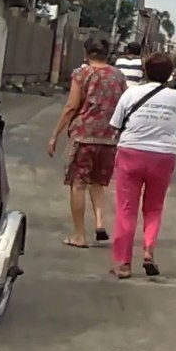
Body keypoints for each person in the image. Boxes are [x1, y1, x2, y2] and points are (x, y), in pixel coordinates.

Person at [107, 52, 176, 279]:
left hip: (130, 153)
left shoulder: (131, 93)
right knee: (154, 207)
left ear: (145, 71)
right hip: (163, 156)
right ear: (170, 74)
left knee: (126, 209)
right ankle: (149, 250)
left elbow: (116, 123)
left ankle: (123, 264)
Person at [48, 37, 127, 248]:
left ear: (86, 53)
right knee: (98, 182)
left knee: (79, 184)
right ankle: (100, 223)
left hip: (84, 137)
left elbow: (71, 106)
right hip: (110, 138)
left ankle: (79, 235)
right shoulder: (118, 76)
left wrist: (55, 134)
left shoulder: (82, 74)